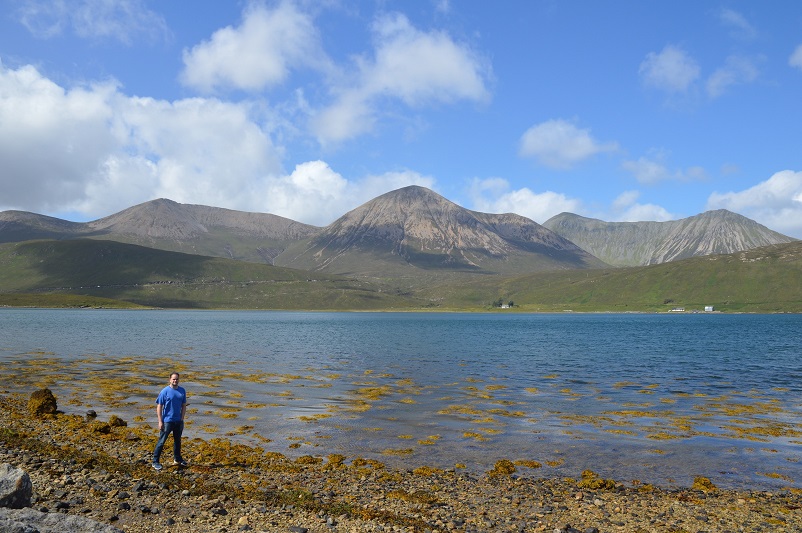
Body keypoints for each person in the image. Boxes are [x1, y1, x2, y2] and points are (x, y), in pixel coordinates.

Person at [152, 372, 187, 470]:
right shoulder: (165, 391)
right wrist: (160, 421)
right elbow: (159, 406)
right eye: (173, 379)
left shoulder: (182, 391)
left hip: (178, 421)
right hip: (167, 421)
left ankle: (177, 459)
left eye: (177, 379)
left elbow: (184, 405)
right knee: (161, 441)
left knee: (177, 441)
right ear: (170, 379)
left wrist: (182, 418)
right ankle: (155, 461)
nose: (175, 381)